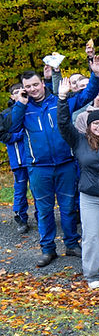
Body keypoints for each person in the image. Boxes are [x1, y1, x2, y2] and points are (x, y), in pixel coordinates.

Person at [11, 58, 99, 267]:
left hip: (65, 164)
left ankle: (71, 243)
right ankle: (48, 248)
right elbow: (11, 127)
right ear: (23, 89)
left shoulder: (60, 102)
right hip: (38, 168)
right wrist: (20, 103)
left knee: (68, 206)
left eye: (35, 84)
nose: (33, 89)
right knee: (43, 210)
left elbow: (87, 95)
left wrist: (96, 76)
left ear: (42, 83)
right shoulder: (23, 109)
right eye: (28, 87)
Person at [56, 80, 99, 289]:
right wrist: (62, 98)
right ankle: (92, 273)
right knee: (92, 236)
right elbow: (63, 124)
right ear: (89, 125)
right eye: (96, 123)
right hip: (90, 196)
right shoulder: (79, 141)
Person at [1, 84, 32, 234]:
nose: (19, 94)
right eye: (15, 92)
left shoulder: (32, 108)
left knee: (37, 188)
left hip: (35, 158)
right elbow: (3, 135)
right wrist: (20, 136)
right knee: (20, 188)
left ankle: (42, 217)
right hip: (18, 159)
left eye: (22, 91)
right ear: (12, 96)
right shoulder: (5, 114)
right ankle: (21, 217)